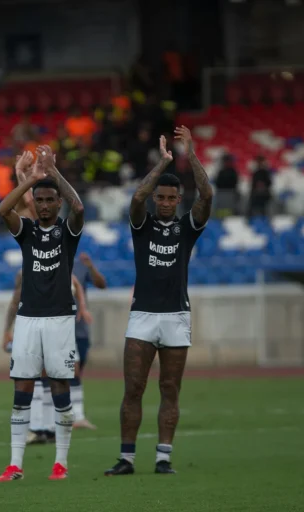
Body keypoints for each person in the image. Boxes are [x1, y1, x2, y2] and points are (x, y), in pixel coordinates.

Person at [104, 127, 212, 477]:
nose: (164, 202)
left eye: (170, 198)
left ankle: (163, 458)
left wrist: (190, 154)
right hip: (143, 316)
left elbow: (207, 194)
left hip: (176, 316)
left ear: (178, 200)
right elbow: (136, 198)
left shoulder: (187, 228)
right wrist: (163, 162)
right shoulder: (142, 224)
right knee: (133, 388)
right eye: (160, 197)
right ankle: (127, 458)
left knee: (170, 388)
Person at [0, 145, 84, 482]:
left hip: (59, 318)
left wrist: (52, 172)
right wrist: (30, 179)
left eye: (50, 200)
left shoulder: (67, 233)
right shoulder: (28, 233)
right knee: (22, 391)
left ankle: (60, 463)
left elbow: (79, 206)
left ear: (57, 203)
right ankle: (15, 465)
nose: (45, 205)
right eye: (40, 200)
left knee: (60, 386)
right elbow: (4, 208)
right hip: (28, 319)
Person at [3, 269, 90, 446]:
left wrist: (7, 329)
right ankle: (47, 429)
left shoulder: (32, 270)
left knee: (37, 377)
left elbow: (15, 300)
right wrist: (82, 307)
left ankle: (40, 429)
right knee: (49, 378)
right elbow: (76, 284)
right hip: (54, 329)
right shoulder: (58, 269)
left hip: (43, 328)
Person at [70, 252, 107, 430]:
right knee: (72, 370)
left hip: (81, 326)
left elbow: (102, 285)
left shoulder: (80, 264)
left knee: (78, 369)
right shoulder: (48, 261)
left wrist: (91, 266)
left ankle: (71, 414)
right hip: (61, 326)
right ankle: (76, 416)